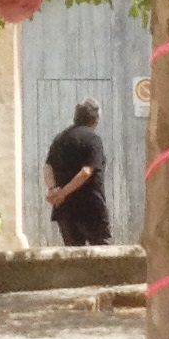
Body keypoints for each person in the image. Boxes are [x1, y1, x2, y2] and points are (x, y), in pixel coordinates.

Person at [43, 100, 111, 248]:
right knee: (102, 252)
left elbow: (48, 166)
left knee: (73, 253)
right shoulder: (93, 139)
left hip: (65, 209)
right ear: (96, 120)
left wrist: (53, 190)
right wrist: (63, 193)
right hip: (91, 207)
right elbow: (86, 171)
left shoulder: (60, 139)